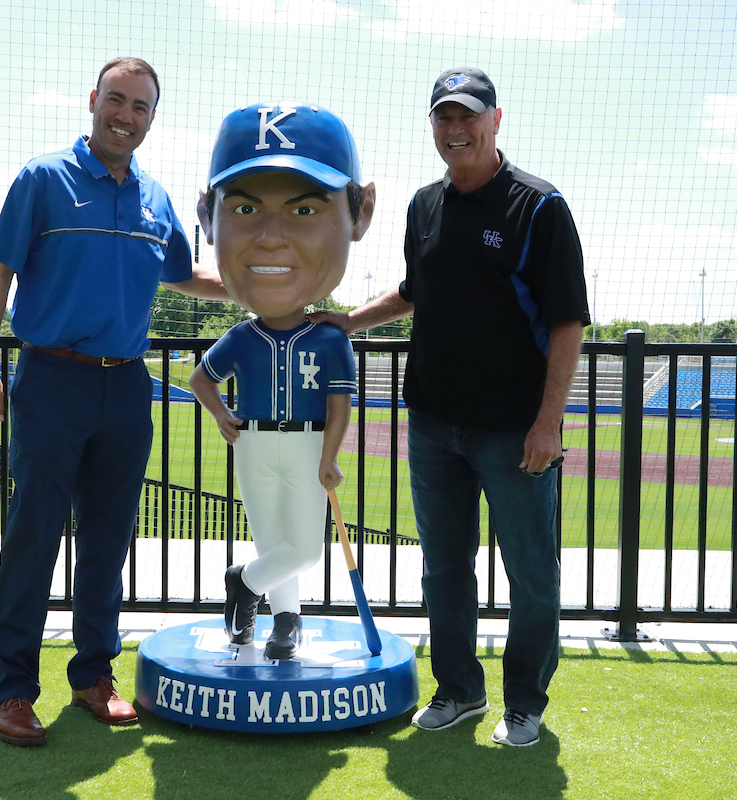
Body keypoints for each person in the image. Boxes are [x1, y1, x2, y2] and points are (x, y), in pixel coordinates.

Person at [311, 68, 589, 746]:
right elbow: (415, 290)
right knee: (444, 567)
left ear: (496, 120)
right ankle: (460, 690)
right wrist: (349, 321)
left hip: (514, 429)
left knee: (531, 573)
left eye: (468, 116)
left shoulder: (539, 206)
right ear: (432, 125)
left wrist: (548, 422)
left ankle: (524, 701)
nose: (455, 129)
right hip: (434, 423)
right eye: (443, 117)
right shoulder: (423, 206)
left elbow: (567, 322)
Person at [0, 57, 228, 747]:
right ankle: (14, 690)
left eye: (141, 107)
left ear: (151, 118)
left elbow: (186, 274)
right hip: (52, 380)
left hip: (126, 385)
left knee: (109, 541)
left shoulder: (154, 196)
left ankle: (93, 677)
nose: (126, 116)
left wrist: (262, 287)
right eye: (117, 100)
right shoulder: (42, 179)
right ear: (93, 101)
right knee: (34, 536)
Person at [188, 103, 375, 660]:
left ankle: (242, 583)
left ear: (359, 213)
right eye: (245, 206)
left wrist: (331, 453)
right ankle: (283, 625)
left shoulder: (328, 335)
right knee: (274, 540)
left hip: (306, 441)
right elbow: (201, 379)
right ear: (211, 215)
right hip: (253, 439)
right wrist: (224, 416)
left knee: (305, 548)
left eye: (304, 208)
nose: (271, 237)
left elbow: (341, 403)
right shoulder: (244, 335)